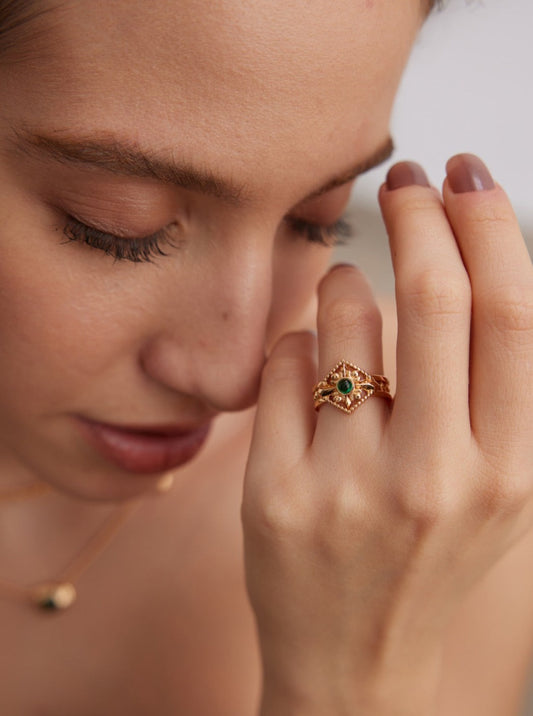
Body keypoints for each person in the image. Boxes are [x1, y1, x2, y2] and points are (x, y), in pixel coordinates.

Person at [0, 0, 532, 714]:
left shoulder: (425, 491)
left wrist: (350, 683)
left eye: (320, 220)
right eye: (120, 230)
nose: (233, 375)